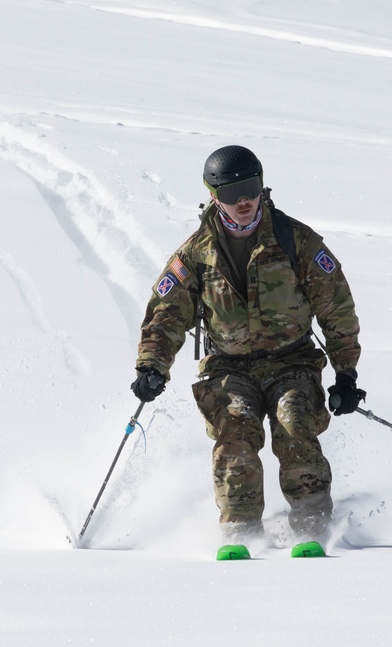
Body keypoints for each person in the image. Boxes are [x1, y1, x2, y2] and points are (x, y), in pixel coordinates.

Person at [130, 145, 365, 545]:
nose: (243, 201)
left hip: (292, 362)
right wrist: (151, 366)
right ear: (213, 196)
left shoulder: (297, 241)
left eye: (251, 188)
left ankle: (313, 528)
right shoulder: (196, 255)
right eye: (231, 193)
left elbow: (336, 305)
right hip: (229, 369)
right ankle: (240, 533)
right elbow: (166, 314)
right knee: (234, 433)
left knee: (294, 424)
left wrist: (345, 374)